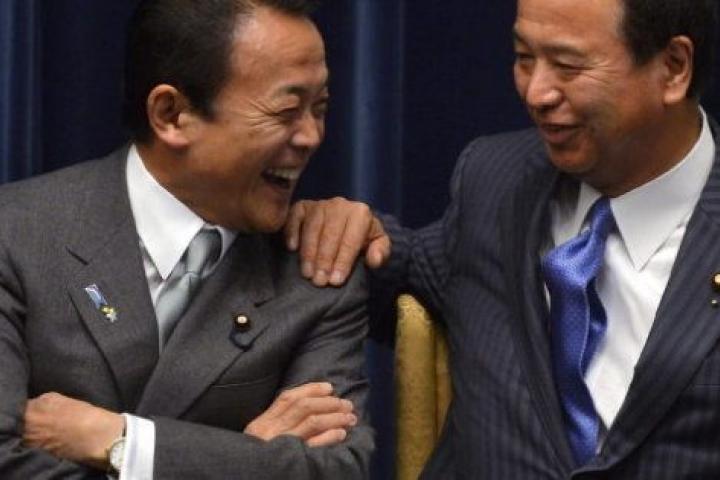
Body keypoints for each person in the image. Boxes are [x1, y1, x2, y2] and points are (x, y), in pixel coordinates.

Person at [287, 0, 720, 477]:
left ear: (673, 67)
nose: (536, 93)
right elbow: (399, 269)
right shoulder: (496, 183)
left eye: (568, 66)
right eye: (523, 58)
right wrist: (338, 227)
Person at [0, 1, 373, 478]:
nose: (311, 136)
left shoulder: (317, 270)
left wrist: (123, 443)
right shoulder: (17, 234)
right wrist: (244, 457)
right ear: (171, 114)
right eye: (286, 110)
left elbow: (336, 471)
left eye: (319, 108)